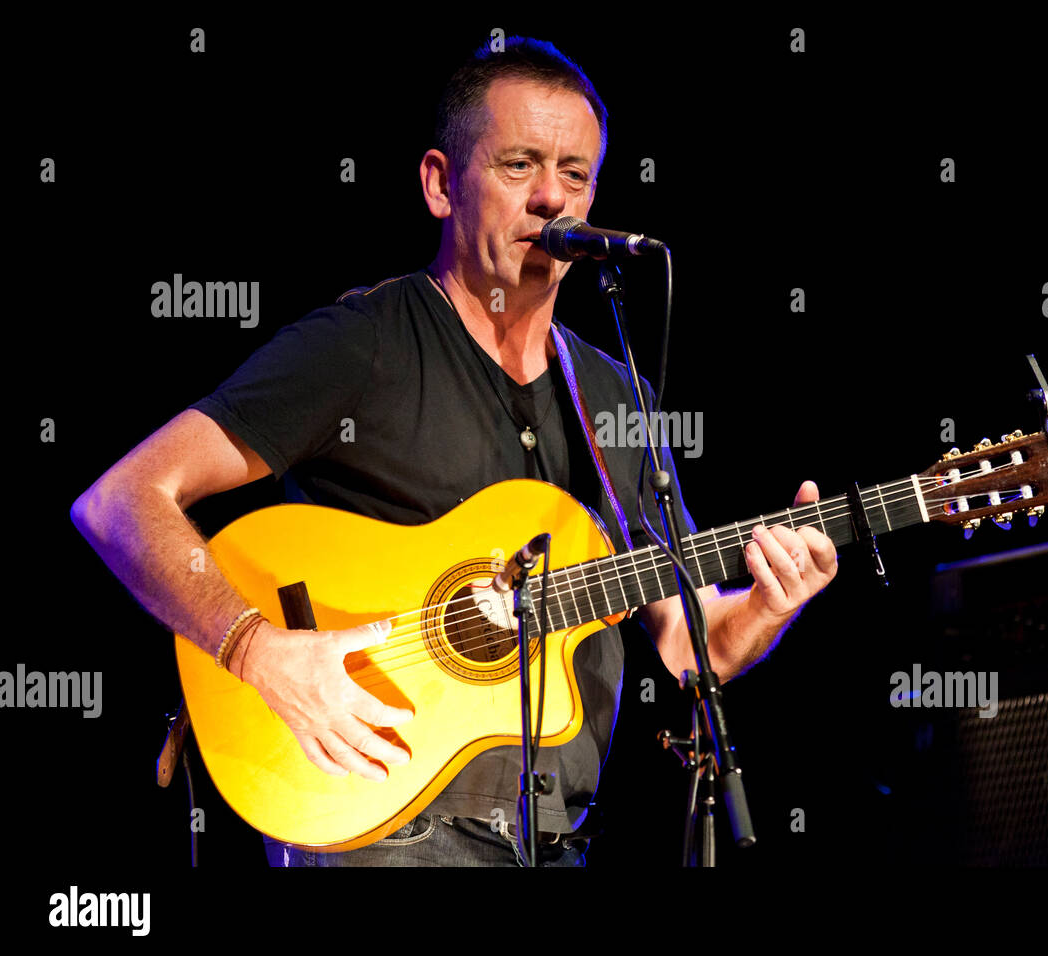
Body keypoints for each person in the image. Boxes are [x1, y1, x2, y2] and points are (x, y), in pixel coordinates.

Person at [69, 36, 837, 867]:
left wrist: (772, 601)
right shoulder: (363, 345)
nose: (553, 199)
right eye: (518, 165)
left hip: (553, 839)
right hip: (380, 818)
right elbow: (122, 500)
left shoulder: (615, 397)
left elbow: (696, 646)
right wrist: (254, 648)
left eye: (575, 175)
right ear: (440, 184)